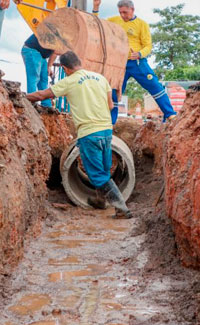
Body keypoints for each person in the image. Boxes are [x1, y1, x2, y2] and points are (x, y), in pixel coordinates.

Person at [26, 52, 132, 218]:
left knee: (97, 174)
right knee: (104, 169)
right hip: (106, 130)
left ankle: (122, 209)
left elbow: (41, 95)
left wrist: (22, 96)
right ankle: (100, 201)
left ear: (65, 68)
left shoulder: (69, 81)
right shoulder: (101, 78)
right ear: (79, 62)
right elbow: (111, 106)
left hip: (89, 133)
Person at [93, 0, 177, 124]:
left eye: (125, 12)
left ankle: (170, 114)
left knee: (154, 85)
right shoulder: (114, 20)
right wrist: (96, 7)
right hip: (118, 64)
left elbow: (148, 45)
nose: (122, 15)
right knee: (114, 92)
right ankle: (110, 122)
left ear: (132, 10)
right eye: (120, 12)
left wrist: (139, 54)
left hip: (137, 63)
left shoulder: (142, 24)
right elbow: (96, 25)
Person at [20, 34, 58, 108]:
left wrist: (49, 66)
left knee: (44, 80)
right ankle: (31, 105)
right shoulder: (59, 34)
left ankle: (47, 106)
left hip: (41, 55)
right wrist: (49, 66)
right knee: (34, 77)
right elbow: (56, 52)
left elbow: (55, 52)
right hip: (32, 50)